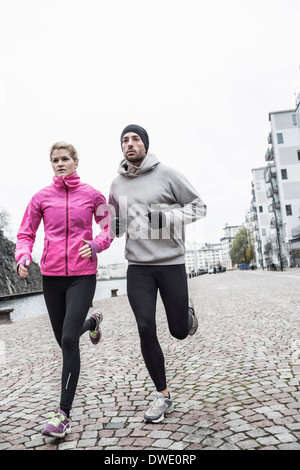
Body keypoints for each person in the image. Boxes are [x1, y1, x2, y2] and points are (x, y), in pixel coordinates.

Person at [109, 124, 206, 423]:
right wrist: (108, 220)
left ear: (145, 145)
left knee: (178, 331)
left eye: (135, 139)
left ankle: (186, 315)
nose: (130, 144)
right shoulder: (116, 185)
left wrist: (166, 216)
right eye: (125, 140)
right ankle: (162, 395)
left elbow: (199, 207)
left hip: (170, 262)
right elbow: (117, 228)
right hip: (138, 267)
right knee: (144, 326)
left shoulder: (168, 174)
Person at [15, 142, 111, 438]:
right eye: (55, 160)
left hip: (83, 275)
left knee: (69, 339)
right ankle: (92, 323)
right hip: (52, 276)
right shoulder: (40, 198)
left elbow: (109, 226)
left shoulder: (94, 195)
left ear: (75, 162)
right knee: (63, 340)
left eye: (65, 159)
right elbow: (25, 232)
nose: (60, 163)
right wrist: (23, 255)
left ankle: (63, 414)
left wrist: (96, 244)